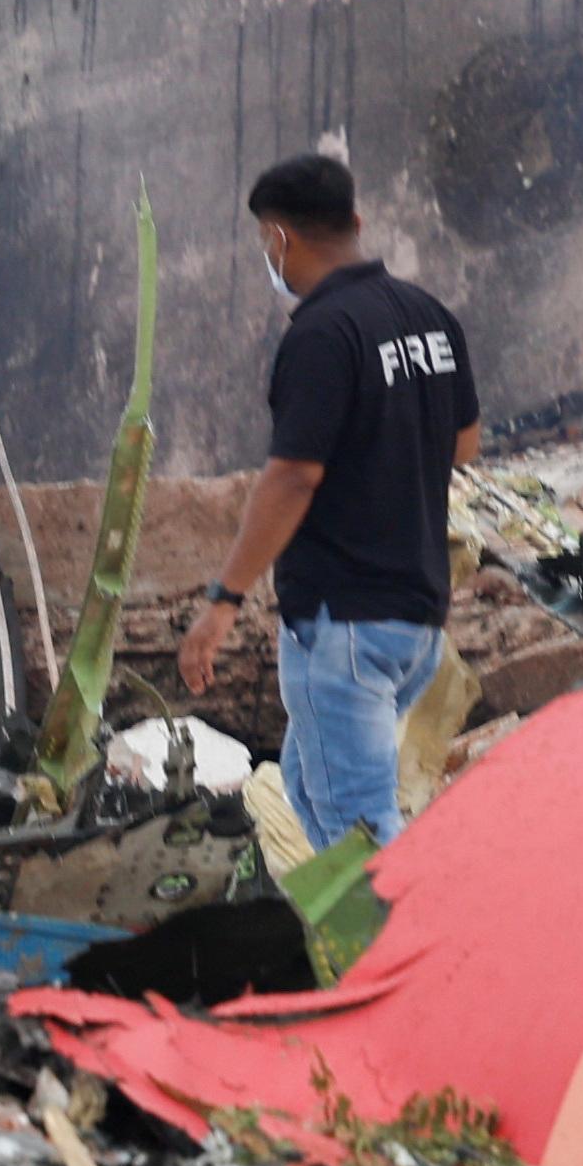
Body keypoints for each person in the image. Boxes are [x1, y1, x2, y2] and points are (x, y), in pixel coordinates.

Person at [178, 154, 480, 854]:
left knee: (360, 834)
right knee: (307, 784)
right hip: (416, 621)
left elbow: (291, 479)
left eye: (264, 244)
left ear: (279, 238)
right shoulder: (430, 318)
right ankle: (355, 947)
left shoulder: (319, 336)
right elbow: (463, 445)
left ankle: (402, 957)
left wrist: (224, 600)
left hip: (343, 624)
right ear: (356, 222)